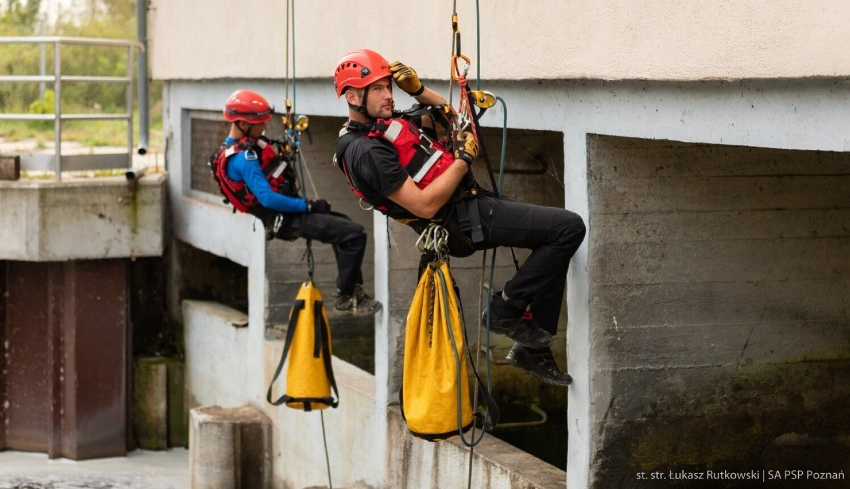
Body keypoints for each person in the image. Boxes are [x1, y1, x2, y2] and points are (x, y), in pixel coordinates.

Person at [332, 50, 586, 386]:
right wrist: (463, 159)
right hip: (460, 223)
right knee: (567, 228)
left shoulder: (388, 126)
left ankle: (532, 346)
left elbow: (453, 121)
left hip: (470, 206)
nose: (388, 94)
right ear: (353, 97)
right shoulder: (366, 152)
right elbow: (423, 205)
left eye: (389, 86)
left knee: (553, 239)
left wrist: (419, 90)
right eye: (377, 89)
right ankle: (506, 310)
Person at [211, 89, 381, 315]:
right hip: (286, 218)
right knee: (355, 234)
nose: (264, 127)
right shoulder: (244, 158)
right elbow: (267, 198)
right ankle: (345, 296)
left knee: (345, 228)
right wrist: (308, 206)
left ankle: (351, 292)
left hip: (287, 215)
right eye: (260, 123)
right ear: (243, 124)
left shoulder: (231, 150)